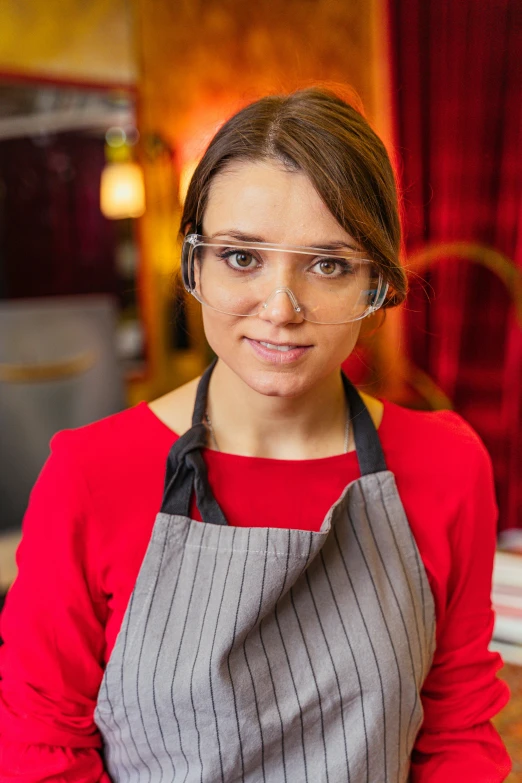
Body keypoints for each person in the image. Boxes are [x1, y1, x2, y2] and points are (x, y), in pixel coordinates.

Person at [0, 87, 511, 782]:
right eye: (242, 257)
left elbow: (455, 732)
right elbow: (40, 749)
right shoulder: (90, 473)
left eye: (328, 264)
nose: (279, 308)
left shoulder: (448, 465)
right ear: (195, 265)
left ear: (378, 286)